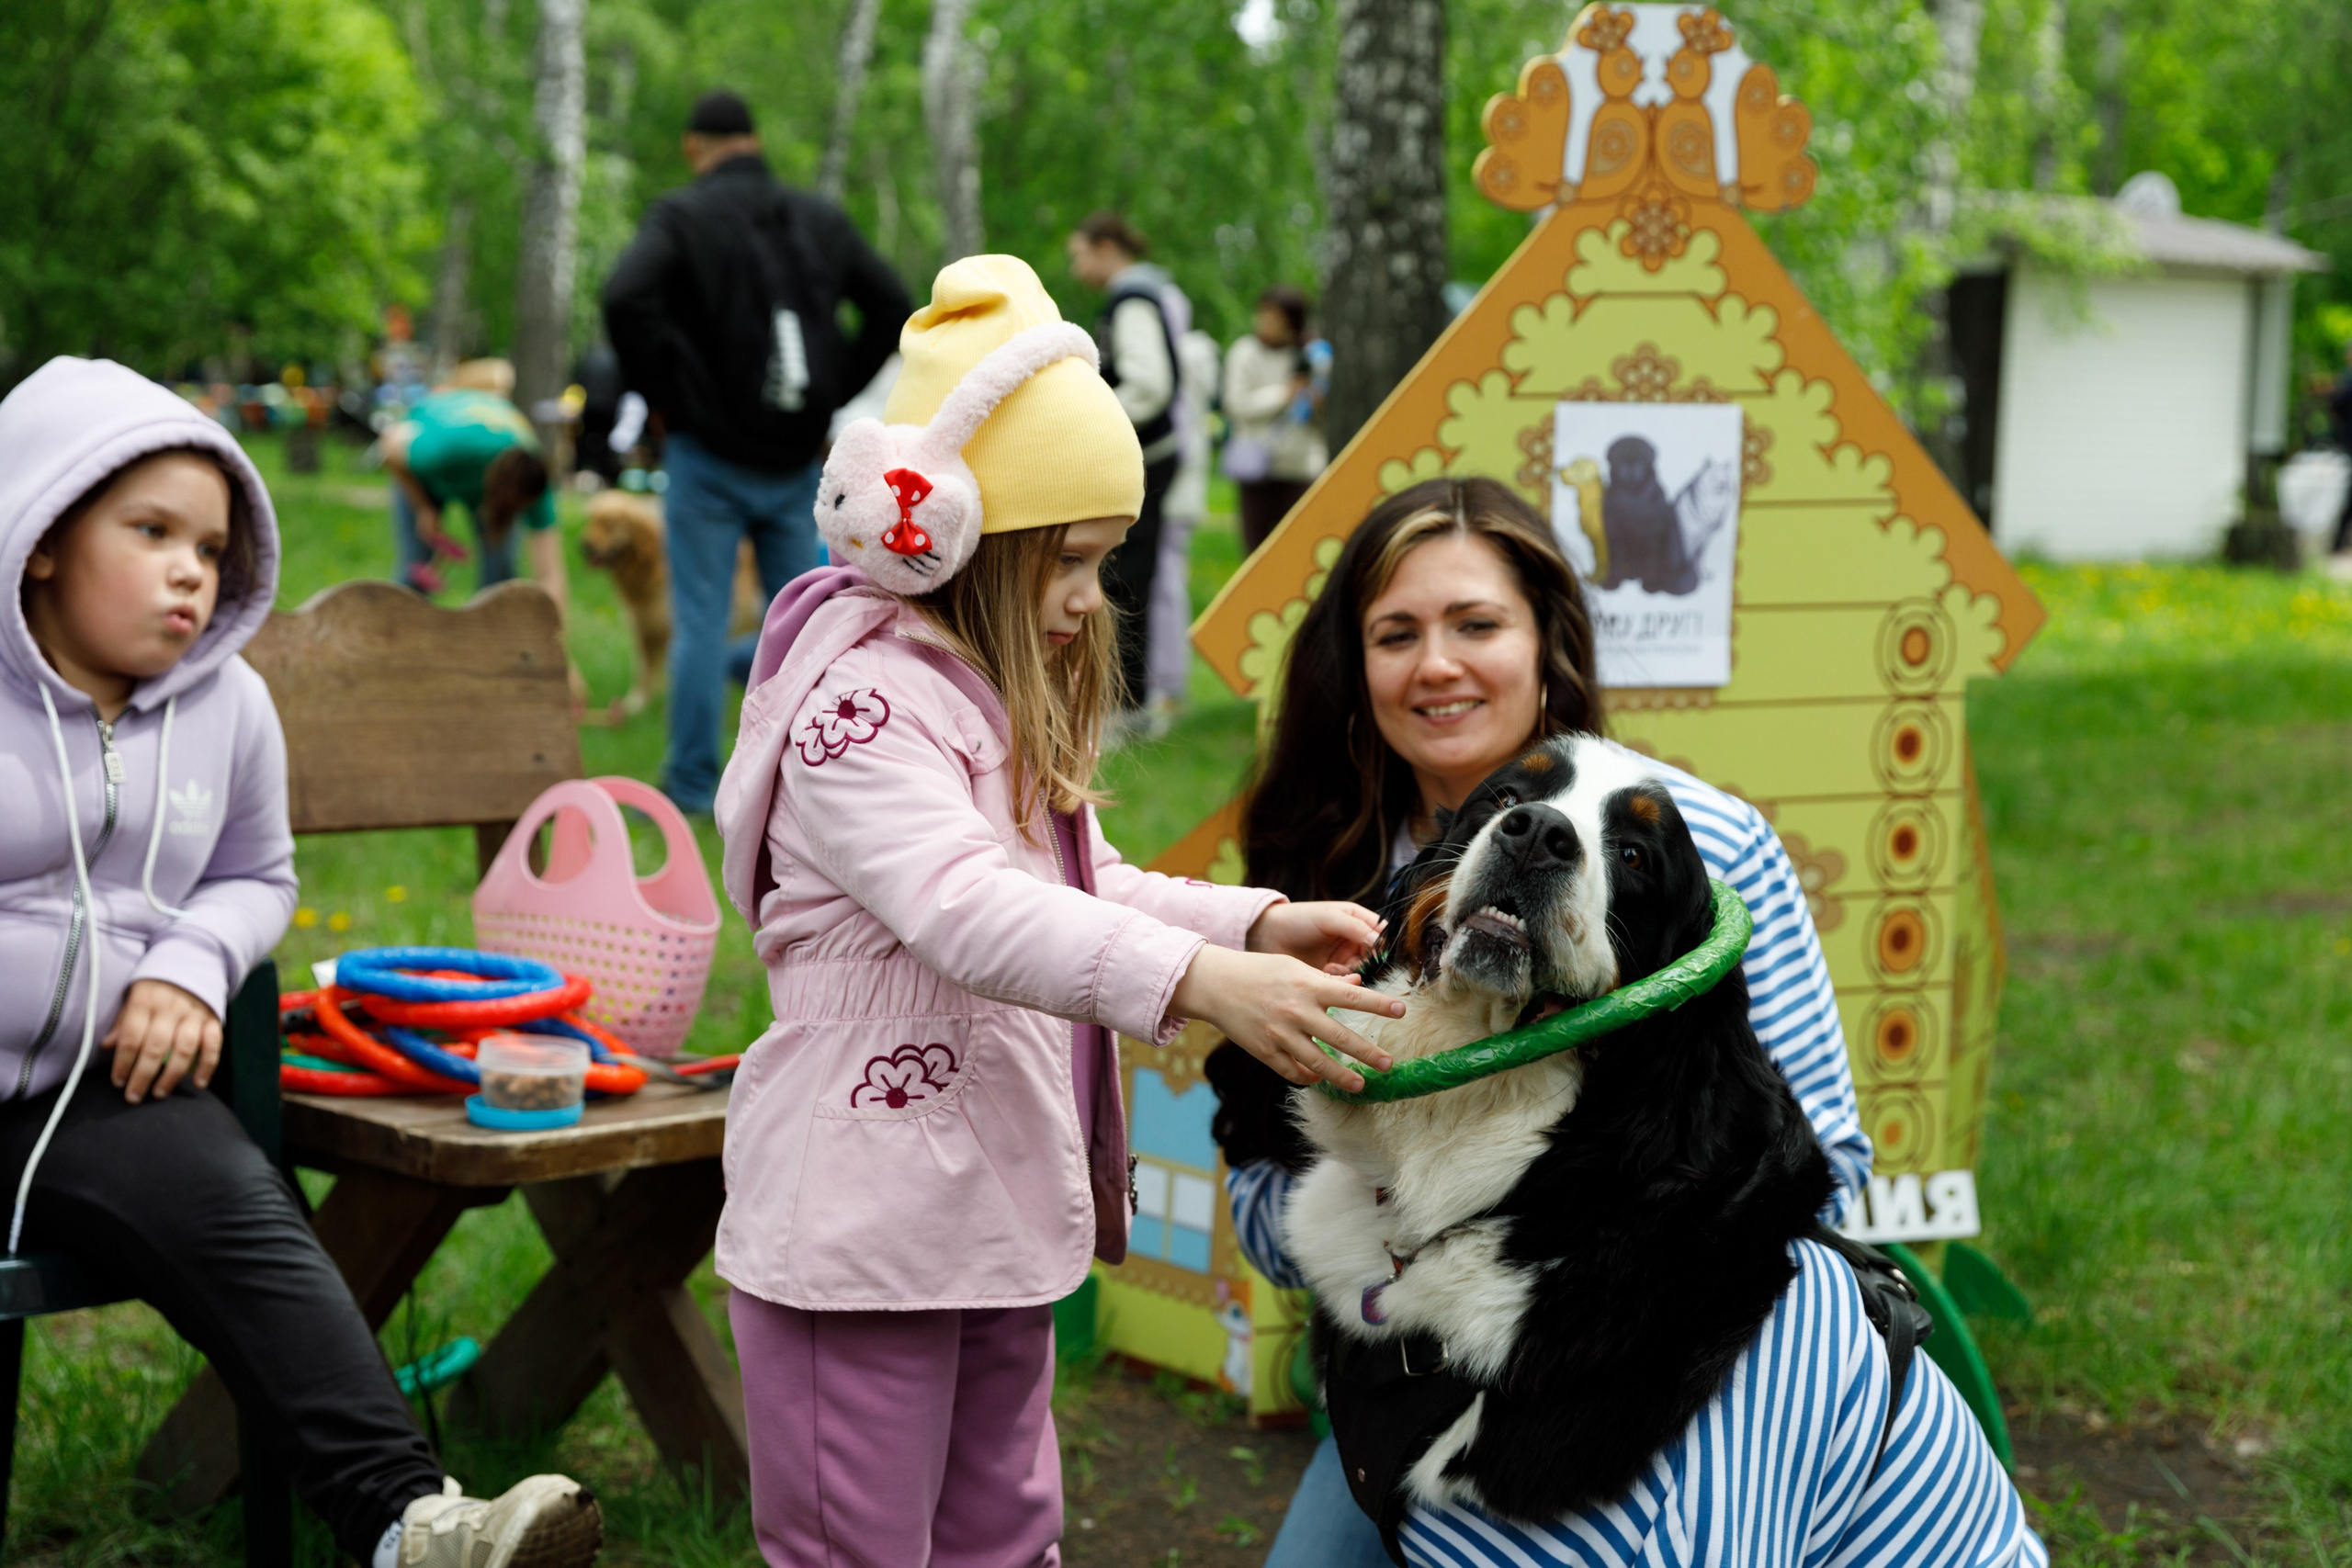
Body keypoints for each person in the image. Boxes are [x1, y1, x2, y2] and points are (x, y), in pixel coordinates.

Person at [707, 255, 1406, 1565]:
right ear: (946, 532)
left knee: (1005, 1528)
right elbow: (968, 909)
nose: (1093, 596)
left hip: (987, 1207)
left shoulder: (979, 701)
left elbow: (1077, 891)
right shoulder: (860, 713)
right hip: (857, 1228)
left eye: (1107, 558)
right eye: (1072, 560)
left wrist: (1247, 924)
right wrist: (1196, 983)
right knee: (857, 1542)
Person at [1210, 479, 1943, 1567]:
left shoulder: (1711, 850)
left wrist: (1564, 1258)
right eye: (1395, 634)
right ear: (1353, 670)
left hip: (1640, 1348)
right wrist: (1401, 1235)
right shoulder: (1327, 874)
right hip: (1400, 1349)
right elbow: (1259, 1165)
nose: (1437, 664)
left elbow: (1815, 1158)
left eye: (1476, 624)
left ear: (1548, 646)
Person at [0, 356, 602, 1568]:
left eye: (212, 547)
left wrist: (188, 960)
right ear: (44, 529)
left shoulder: (226, 707)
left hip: (102, 1093)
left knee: (238, 1198)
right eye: (151, 529)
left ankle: (410, 1522)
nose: (190, 568)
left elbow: (257, 872)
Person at [602, 89, 912, 812]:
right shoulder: (819, 219)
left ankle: (690, 785)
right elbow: (895, 304)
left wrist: (665, 392)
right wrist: (831, 388)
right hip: (796, 458)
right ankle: (819, 780)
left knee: (703, 621)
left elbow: (624, 298)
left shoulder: (681, 216)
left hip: (707, 454)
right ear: (755, 139)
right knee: (813, 619)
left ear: (694, 146)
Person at [1065, 211, 1187, 730]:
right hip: (1146, 459)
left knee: (1125, 582)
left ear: (1106, 247)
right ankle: (1126, 702)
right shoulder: (1139, 296)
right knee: (1123, 578)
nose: (1077, 268)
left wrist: (1093, 416)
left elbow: (1150, 385)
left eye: (1080, 255)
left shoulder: (1133, 300)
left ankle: (1127, 707)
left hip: (1147, 461)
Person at [381, 379, 564, 615]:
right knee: (416, 567)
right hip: (426, 465)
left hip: (485, 467)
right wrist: (424, 508)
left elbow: (550, 573)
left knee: (501, 576)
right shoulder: (441, 452)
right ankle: (395, 634)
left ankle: (491, 641)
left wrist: (555, 639)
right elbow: (391, 444)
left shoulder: (533, 482)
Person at [1141, 326, 1222, 734]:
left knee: (1165, 585)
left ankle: (1168, 685)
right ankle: (1166, 683)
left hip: (1174, 488)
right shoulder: (1194, 359)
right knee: (1167, 583)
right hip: (1181, 486)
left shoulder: (1183, 358)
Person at [1221, 285, 1329, 554]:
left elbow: (1322, 414)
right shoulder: (1244, 352)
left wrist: (1316, 402)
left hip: (1299, 466)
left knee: (1298, 547)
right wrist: (1283, 394)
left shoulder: (1310, 356)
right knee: (1256, 546)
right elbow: (1236, 404)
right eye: (1264, 314)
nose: (1266, 323)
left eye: (1275, 317)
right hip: (1256, 464)